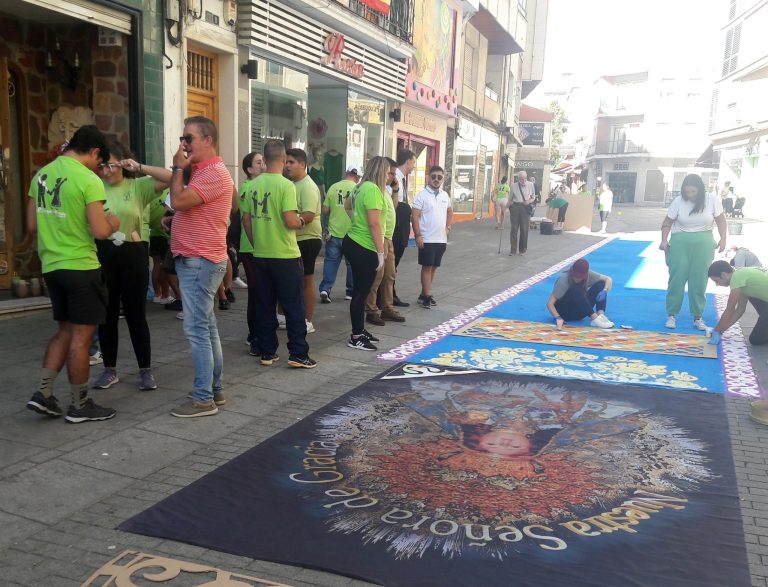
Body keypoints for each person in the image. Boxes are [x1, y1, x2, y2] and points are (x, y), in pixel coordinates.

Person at [25, 125, 119, 423]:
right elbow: (101, 231)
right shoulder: (88, 179)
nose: (99, 167)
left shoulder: (41, 174)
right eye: (99, 161)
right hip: (81, 266)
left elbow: (31, 225)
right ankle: (80, 403)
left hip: (52, 266)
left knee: (64, 330)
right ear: (94, 152)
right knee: (82, 336)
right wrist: (113, 222)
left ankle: (44, 393)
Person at [168, 116, 234, 418]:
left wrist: (178, 167)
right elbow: (187, 205)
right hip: (200, 258)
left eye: (189, 138)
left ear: (207, 140)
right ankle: (214, 391)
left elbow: (178, 199)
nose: (184, 143)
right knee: (207, 329)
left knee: (197, 330)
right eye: (183, 138)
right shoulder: (205, 170)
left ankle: (203, 398)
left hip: (199, 261)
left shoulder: (213, 173)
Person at [92, 143, 171, 392]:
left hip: (133, 253)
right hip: (104, 253)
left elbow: (170, 177)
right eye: (102, 164)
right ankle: (109, 369)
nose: (105, 169)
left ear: (122, 163)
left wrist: (138, 167)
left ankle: (145, 370)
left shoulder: (138, 186)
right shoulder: (94, 188)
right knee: (107, 315)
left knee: (137, 315)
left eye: (110, 163)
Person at [245, 139, 316, 369]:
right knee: (294, 306)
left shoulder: (252, 185)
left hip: (261, 253)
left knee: (265, 304)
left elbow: (246, 220)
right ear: (284, 160)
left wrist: (258, 242)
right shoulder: (286, 186)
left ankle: (267, 352)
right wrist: (304, 219)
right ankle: (298, 353)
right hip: (285, 254)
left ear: (264, 160)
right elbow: (290, 220)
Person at [660, 173, 727, 331]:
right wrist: (664, 240)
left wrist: (723, 238)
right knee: (677, 277)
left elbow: (721, 220)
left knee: (699, 278)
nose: (689, 195)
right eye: (687, 192)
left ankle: (698, 316)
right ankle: (671, 314)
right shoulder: (678, 201)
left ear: (700, 190)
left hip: (704, 243)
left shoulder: (712, 200)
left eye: (693, 192)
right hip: (679, 242)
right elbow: (667, 222)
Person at [343, 156, 390, 351]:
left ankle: (360, 329)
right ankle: (356, 336)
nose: (388, 176)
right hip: (364, 246)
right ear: (381, 171)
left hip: (354, 241)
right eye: (387, 172)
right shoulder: (372, 190)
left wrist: (356, 222)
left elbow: (347, 206)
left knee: (360, 291)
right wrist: (380, 251)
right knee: (361, 293)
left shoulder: (360, 187)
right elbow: (374, 223)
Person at [285, 148, 322, 333]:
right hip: (295, 239)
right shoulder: (291, 184)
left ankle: (307, 321)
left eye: (291, 162)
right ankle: (284, 317)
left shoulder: (308, 186)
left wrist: (291, 222)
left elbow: (308, 214)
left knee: (306, 280)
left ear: (302, 164)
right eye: (286, 162)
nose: (287, 166)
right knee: (291, 281)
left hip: (308, 239)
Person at [366, 158, 405, 326]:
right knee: (377, 276)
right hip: (379, 239)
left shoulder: (385, 191)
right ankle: (371, 309)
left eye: (394, 174)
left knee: (390, 275)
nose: (392, 177)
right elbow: (350, 207)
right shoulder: (373, 190)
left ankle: (387, 307)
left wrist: (395, 189)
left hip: (388, 238)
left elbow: (393, 208)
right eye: (390, 173)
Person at [412, 165, 453, 309]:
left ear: (443, 179)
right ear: (428, 177)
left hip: (441, 239)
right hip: (427, 238)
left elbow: (449, 212)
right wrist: (418, 236)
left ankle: (424, 294)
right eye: (433, 176)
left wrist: (448, 227)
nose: (436, 179)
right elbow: (415, 216)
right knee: (427, 267)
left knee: (434, 267)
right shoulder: (421, 195)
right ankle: (427, 296)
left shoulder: (445, 195)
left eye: (439, 177)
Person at [319, 168, 359, 304]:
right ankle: (350, 292)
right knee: (352, 264)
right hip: (352, 235)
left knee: (331, 261)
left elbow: (324, 210)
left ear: (346, 174)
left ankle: (325, 289)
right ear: (357, 177)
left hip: (334, 233)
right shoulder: (358, 189)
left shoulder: (334, 187)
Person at [707, 260, 768, 347]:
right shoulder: (741, 275)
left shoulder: (736, 278)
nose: (717, 284)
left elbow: (730, 308)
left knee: (755, 340)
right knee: (751, 294)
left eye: (716, 280)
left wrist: (717, 330)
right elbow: (740, 309)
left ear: (723, 275)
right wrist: (721, 330)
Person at [238, 152, 263, 347]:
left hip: (262, 246)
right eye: (258, 162)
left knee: (262, 291)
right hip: (250, 247)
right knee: (255, 291)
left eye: (263, 160)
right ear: (249, 169)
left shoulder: (262, 185)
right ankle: (253, 334)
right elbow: (247, 218)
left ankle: (259, 331)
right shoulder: (247, 187)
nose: (262, 164)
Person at [546, 258, 614, 329]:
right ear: (572, 272)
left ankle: (601, 316)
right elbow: (550, 303)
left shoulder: (588, 275)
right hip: (565, 312)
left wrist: (605, 291)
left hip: (579, 311)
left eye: (580, 277)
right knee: (576, 289)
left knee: (601, 284)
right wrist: (558, 317)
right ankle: (595, 319)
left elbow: (608, 279)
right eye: (576, 276)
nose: (578, 279)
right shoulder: (563, 279)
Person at [392, 149, 416, 307]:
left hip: (401, 226)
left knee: (394, 264)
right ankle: (387, 296)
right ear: (408, 161)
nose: (414, 166)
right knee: (392, 264)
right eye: (414, 162)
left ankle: (390, 295)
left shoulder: (402, 179)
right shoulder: (395, 179)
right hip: (395, 226)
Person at [507, 170, 535, 256]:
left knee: (524, 229)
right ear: (518, 179)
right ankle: (513, 250)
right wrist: (505, 209)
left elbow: (533, 197)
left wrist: (528, 201)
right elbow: (510, 199)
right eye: (521, 179)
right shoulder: (513, 186)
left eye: (525, 179)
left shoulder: (530, 184)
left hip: (525, 208)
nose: (523, 181)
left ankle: (522, 250)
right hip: (515, 207)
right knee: (514, 229)